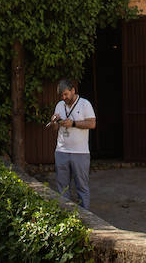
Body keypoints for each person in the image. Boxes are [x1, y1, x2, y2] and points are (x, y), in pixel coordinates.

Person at [51, 79, 97, 208]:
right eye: (61, 95)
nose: (63, 98)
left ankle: (86, 219)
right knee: (62, 188)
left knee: (81, 187)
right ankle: (66, 218)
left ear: (73, 90)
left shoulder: (84, 104)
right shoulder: (60, 105)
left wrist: (74, 124)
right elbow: (55, 129)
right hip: (61, 151)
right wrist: (54, 122)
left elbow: (92, 124)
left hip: (80, 152)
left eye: (66, 94)